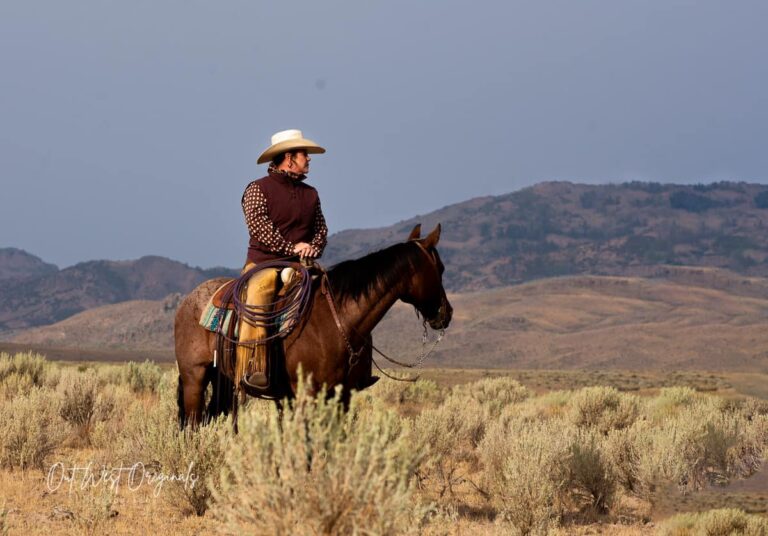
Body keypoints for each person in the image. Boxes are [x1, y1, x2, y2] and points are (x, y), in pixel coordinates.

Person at [237, 129, 328, 388]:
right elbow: (259, 227)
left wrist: (312, 247)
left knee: (331, 293)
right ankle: (254, 367)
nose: (308, 160)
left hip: (300, 264)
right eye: (305, 155)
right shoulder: (257, 189)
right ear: (289, 158)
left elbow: (321, 229)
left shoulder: (311, 194)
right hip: (264, 263)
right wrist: (293, 247)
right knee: (258, 293)